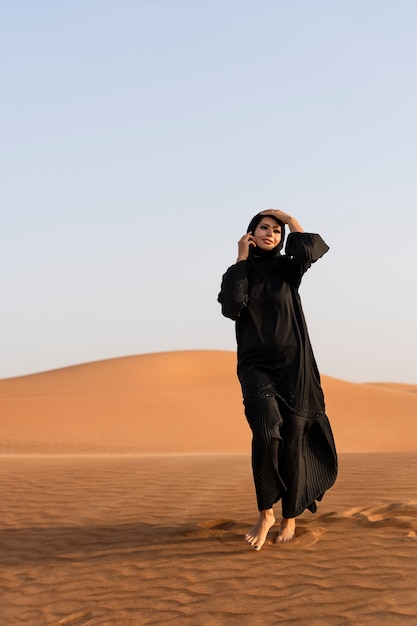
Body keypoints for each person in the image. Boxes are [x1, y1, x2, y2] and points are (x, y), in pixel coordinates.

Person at [218, 209, 337, 551]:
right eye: (264, 227)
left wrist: (288, 216)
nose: (271, 233)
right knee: (266, 431)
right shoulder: (240, 271)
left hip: (294, 368)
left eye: (276, 231)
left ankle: (290, 515)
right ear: (251, 233)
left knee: (293, 439)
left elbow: (312, 247)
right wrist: (241, 256)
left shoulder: (288, 269)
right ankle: (265, 512)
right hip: (256, 367)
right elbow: (231, 306)